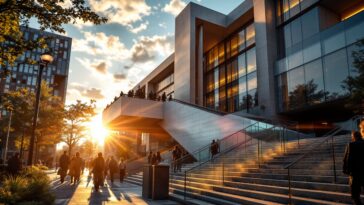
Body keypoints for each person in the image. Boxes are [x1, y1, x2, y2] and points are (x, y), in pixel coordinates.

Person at [343, 131, 364, 205]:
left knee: (355, 195)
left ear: (354, 136)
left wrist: (346, 170)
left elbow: (346, 159)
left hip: (355, 174)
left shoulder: (351, 144)